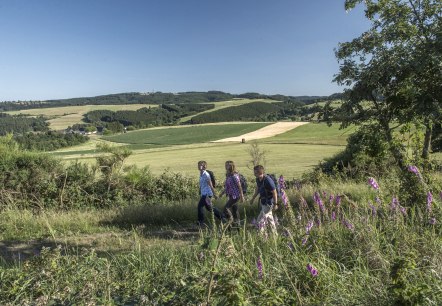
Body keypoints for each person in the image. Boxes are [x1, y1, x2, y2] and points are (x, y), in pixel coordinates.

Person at [249, 165, 278, 235]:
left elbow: (274, 192)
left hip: (268, 203)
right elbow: (257, 189)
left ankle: (261, 237)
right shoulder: (258, 179)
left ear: (259, 172)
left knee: (260, 221)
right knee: (270, 220)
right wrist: (253, 198)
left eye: (255, 172)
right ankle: (275, 236)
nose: (254, 174)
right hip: (263, 202)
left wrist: (275, 204)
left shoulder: (268, 180)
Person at [197, 160, 223, 227]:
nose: (199, 166)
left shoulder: (206, 174)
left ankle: (201, 222)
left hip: (207, 194)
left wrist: (214, 194)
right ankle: (222, 217)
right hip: (204, 193)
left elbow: (211, 185)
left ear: (204, 166)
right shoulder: (201, 174)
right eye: (198, 165)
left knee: (200, 206)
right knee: (209, 208)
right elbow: (202, 184)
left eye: (201, 165)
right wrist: (200, 190)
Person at [218, 160, 245, 227]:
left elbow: (239, 186)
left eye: (228, 165)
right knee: (235, 210)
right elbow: (227, 186)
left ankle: (231, 220)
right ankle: (238, 226)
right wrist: (222, 193)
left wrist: (242, 196)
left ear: (232, 166)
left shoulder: (234, 175)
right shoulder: (228, 175)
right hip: (231, 195)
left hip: (235, 196)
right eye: (225, 165)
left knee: (226, 208)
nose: (226, 166)